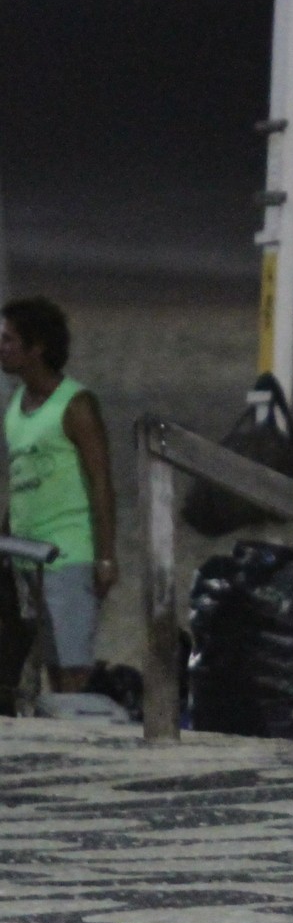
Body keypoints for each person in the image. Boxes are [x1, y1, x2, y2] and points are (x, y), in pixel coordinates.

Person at [0, 297, 118, 701]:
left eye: (9, 340)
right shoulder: (17, 404)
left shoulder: (76, 405)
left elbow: (101, 481)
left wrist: (105, 557)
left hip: (68, 553)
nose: (2, 347)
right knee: (50, 665)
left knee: (72, 667)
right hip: (26, 555)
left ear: (38, 348)